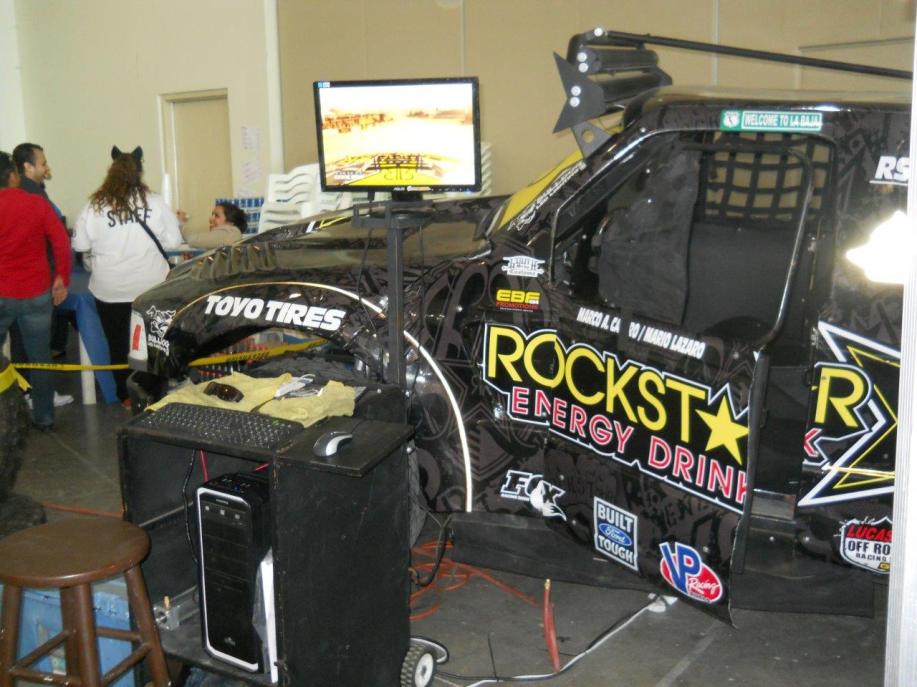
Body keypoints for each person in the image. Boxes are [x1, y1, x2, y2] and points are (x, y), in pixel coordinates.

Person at [72, 146, 181, 407]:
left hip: (110, 288)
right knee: (154, 341)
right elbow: (174, 241)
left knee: (118, 342)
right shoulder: (154, 202)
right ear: (139, 172)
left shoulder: (94, 205)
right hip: (151, 286)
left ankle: (126, 396)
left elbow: (80, 244)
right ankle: (153, 391)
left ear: (110, 171)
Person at [0, 151, 72, 430]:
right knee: (40, 358)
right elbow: (61, 242)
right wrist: (61, 278)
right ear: (13, 175)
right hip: (36, 293)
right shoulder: (36, 203)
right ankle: (44, 417)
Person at [180, 201, 246, 249]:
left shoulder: (229, 232)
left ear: (230, 222)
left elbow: (192, 240)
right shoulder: (233, 233)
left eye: (217, 216)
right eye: (212, 215)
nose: (210, 219)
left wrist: (181, 223)